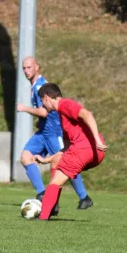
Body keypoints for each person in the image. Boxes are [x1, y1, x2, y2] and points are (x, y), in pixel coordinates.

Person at [17, 57, 93, 210]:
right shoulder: (34, 85)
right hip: (43, 132)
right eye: (24, 68)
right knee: (26, 157)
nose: (26, 71)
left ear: (37, 67)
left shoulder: (41, 85)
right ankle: (42, 194)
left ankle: (84, 197)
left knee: (66, 163)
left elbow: (44, 112)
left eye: (29, 67)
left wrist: (24, 108)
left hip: (54, 132)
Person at [32, 83, 107, 221]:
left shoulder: (64, 104)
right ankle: (52, 207)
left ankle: (43, 216)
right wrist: (46, 159)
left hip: (85, 149)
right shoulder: (61, 115)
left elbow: (87, 114)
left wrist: (97, 139)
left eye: (42, 101)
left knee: (55, 182)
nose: (43, 106)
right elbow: (66, 148)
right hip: (94, 153)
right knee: (57, 163)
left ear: (47, 98)